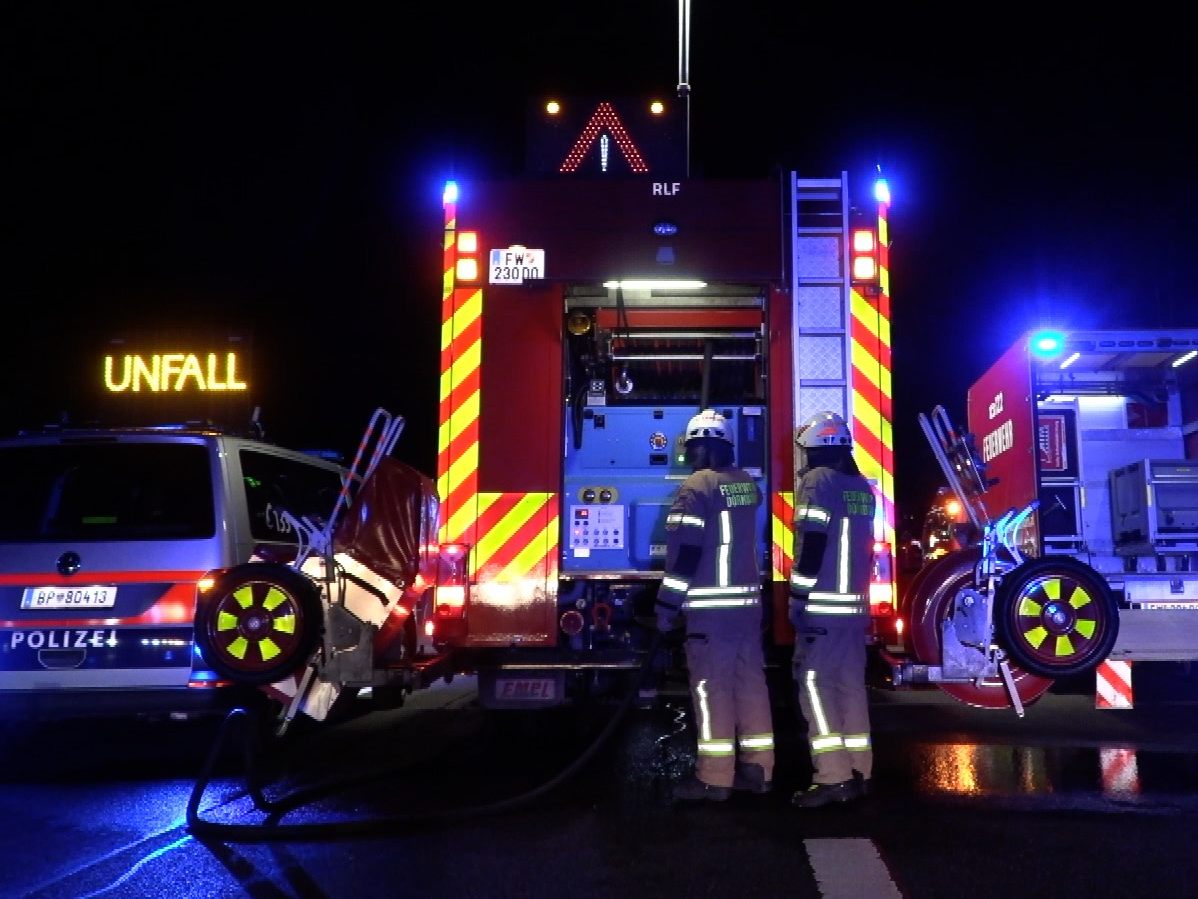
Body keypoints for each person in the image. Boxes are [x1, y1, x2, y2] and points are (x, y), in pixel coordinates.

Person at [656, 408, 775, 802]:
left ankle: (714, 778)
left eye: (692, 449)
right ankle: (759, 768)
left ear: (699, 448)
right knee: (750, 685)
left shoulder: (695, 488)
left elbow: (685, 554)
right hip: (746, 607)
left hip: (710, 610)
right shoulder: (746, 484)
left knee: (711, 690)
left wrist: (667, 604)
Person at [788, 410, 877, 808]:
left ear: (819, 450)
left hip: (822, 608)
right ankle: (860, 770)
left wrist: (798, 596)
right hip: (854, 608)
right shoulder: (861, 488)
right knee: (850, 688)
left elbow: (813, 545)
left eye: (806, 452)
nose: (803, 460)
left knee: (814, 688)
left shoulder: (816, 483)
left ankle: (833, 777)